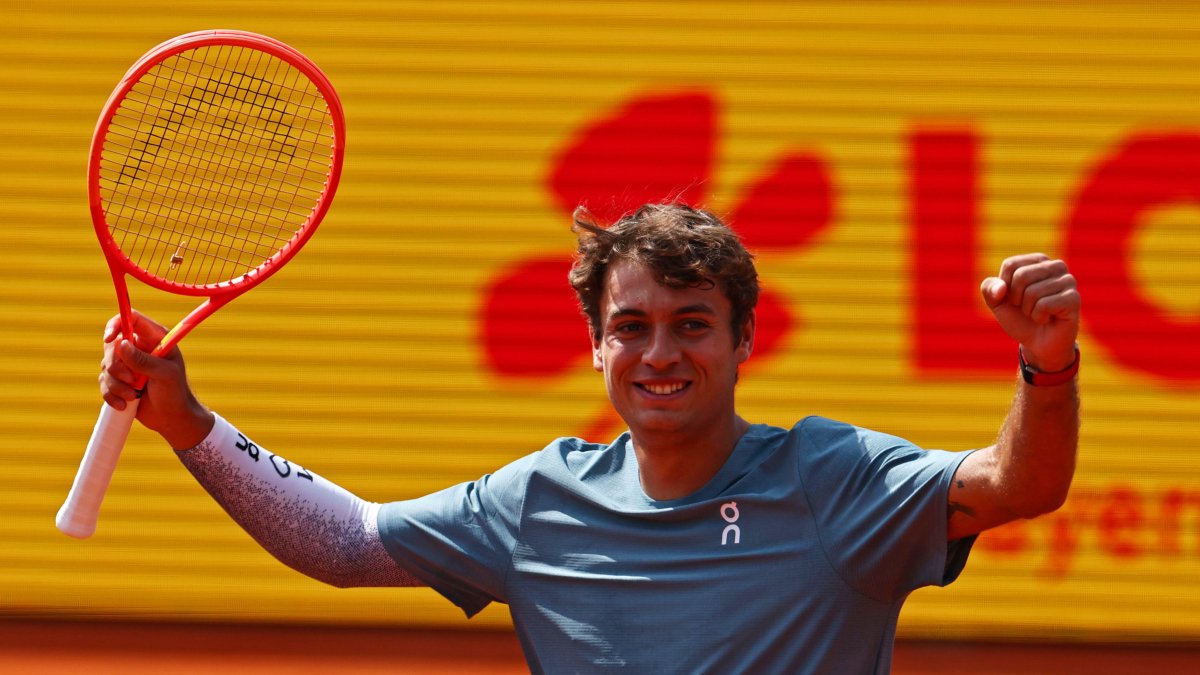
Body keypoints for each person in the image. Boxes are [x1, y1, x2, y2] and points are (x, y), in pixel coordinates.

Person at [98, 203, 1080, 674]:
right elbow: (347, 544)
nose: (661, 353)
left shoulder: (834, 479)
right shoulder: (539, 503)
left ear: (743, 339)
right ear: (596, 345)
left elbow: (1015, 484)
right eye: (633, 326)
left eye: (693, 324)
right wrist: (186, 420)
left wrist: (1047, 368)